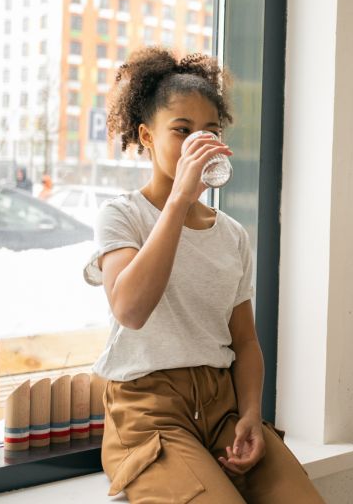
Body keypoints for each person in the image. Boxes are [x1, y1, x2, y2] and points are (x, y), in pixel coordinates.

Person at [83, 48, 324, 504]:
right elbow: (130, 309)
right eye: (182, 131)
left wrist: (251, 414)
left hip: (221, 407)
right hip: (149, 412)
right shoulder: (121, 216)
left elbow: (245, 342)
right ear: (146, 136)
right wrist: (178, 201)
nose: (199, 142)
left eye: (210, 132)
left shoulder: (231, 235)